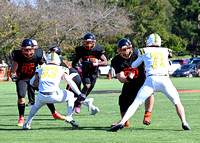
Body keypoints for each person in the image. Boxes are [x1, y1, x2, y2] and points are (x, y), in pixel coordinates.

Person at [110, 33, 191, 131]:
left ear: (148, 42)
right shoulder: (166, 51)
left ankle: (123, 122)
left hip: (151, 79)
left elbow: (134, 64)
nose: (126, 51)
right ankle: (184, 122)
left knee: (136, 102)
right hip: (165, 80)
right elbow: (168, 63)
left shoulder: (143, 51)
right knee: (177, 102)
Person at [22, 53, 86, 130]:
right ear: (58, 61)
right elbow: (70, 81)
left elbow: (32, 83)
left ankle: (27, 124)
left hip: (42, 95)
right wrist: (79, 93)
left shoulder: (40, 68)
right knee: (71, 94)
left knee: (35, 107)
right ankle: (69, 116)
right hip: (55, 95)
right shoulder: (62, 69)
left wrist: (42, 85)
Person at [10, 39, 63, 127]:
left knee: (46, 93)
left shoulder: (38, 54)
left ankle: (54, 113)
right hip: (22, 78)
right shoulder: (17, 55)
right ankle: (21, 117)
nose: (28, 52)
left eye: (30, 49)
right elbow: (12, 71)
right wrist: (13, 76)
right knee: (21, 98)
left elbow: (44, 67)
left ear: (34, 49)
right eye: (26, 50)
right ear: (22, 49)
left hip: (34, 78)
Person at [110, 38, 154, 127]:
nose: (126, 51)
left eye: (128, 48)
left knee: (150, 94)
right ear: (119, 50)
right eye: (123, 49)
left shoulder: (138, 53)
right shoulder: (116, 60)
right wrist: (129, 78)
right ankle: (125, 120)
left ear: (131, 48)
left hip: (142, 81)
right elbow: (120, 78)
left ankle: (147, 115)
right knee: (122, 101)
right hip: (129, 83)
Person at [48, 46, 98, 115]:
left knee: (69, 97)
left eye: (51, 53)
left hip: (72, 77)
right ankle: (92, 107)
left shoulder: (56, 60)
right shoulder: (61, 59)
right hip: (75, 76)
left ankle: (86, 102)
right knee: (73, 96)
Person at [72, 33, 107, 114]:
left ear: (93, 42)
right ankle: (78, 104)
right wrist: (78, 68)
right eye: (86, 42)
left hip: (94, 72)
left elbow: (105, 62)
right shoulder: (81, 50)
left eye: (90, 42)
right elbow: (74, 64)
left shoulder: (98, 50)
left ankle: (78, 102)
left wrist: (96, 63)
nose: (88, 44)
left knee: (88, 91)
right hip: (85, 71)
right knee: (87, 86)